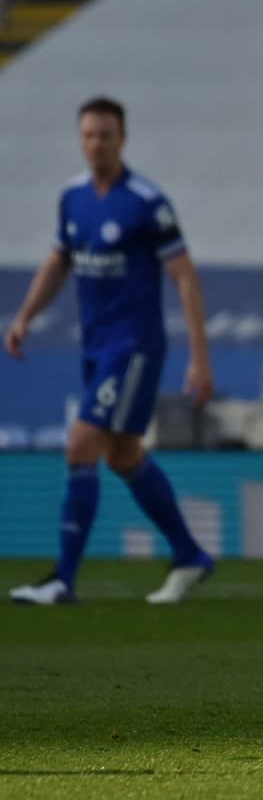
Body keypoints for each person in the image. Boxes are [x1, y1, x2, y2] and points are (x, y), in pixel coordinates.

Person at [6, 96, 216, 606]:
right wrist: (25, 316)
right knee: (122, 455)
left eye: (105, 135)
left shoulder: (146, 202)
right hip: (96, 346)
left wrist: (199, 356)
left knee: (80, 444)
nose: (96, 144)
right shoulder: (72, 198)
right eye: (89, 135)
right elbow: (58, 262)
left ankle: (62, 579)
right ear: (80, 140)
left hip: (134, 346)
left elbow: (184, 276)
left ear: (122, 139)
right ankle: (190, 555)